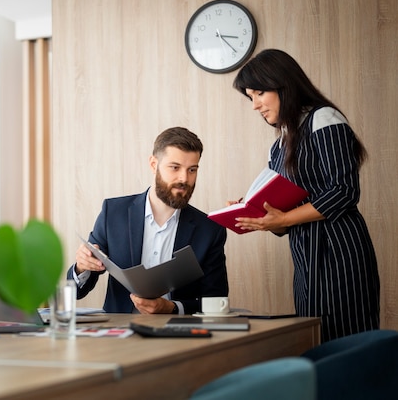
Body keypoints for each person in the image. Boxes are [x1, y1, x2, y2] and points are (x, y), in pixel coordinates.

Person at [232, 49, 380, 342]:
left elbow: (344, 191)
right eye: (250, 97)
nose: (255, 105)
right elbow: (283, 212)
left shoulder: (324, 119)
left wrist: (284, 217)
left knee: (348, 340)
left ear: (283, 84)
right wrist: (256, 213)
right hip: (304, 255)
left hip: (340, 250)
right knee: (314, 337)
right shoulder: (280, 144)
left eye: (259, 93)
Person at [67, 127, 228, 315]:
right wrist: (82, 267)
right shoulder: (113, 213)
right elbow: (76, 291)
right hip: (120, 335)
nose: (184, 178)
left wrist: (172, 308)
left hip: (178, 336)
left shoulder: (210, 230)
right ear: (153, 165)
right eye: (175, 168)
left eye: (192, 170)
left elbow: (217, 303)